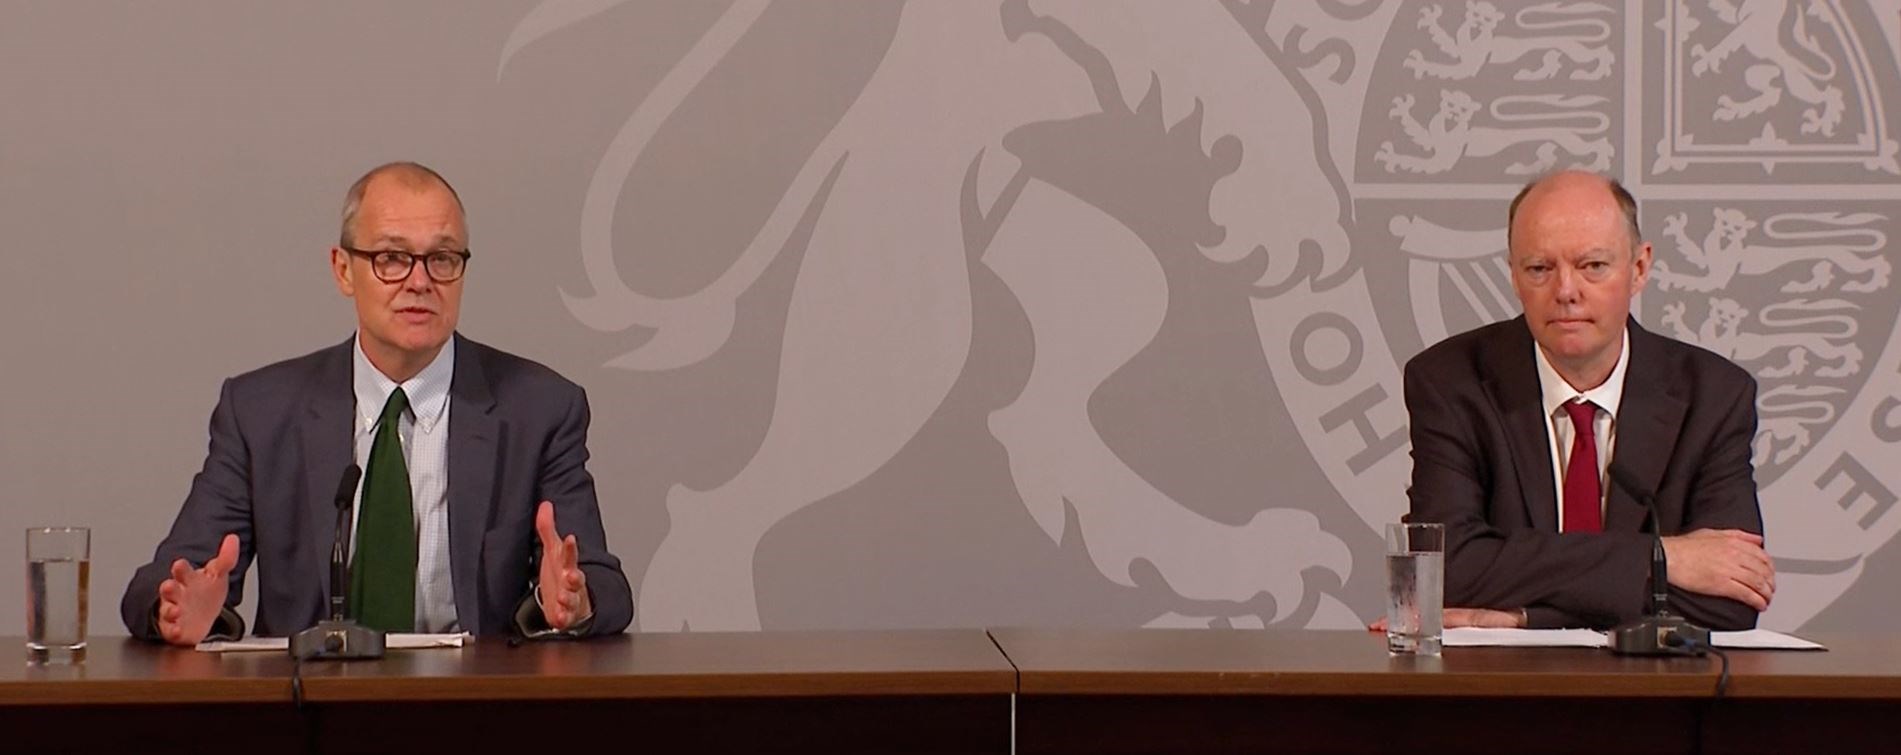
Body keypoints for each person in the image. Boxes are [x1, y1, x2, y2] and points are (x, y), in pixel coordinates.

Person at [122, 162, 633, 644]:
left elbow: (604, 587)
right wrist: (175, 611)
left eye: (442, 258)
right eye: (391, 257)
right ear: (343, 270)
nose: (419, 281)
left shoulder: (538, 409)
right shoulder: (261, 412)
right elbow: (161, 585)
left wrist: (570, 598)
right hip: (309, 718)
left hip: (476, 712)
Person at [1401, 170, 1774, 630]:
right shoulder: (1451, 383)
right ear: (1514, 276)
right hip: (1499, 693)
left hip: (1660, 695)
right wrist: (1662, 558)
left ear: (1639, 269)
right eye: (1540, 268)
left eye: (1593, 266)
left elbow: (1731, 601)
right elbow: (1447, 572)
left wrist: (1525, 618)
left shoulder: (1713, 395)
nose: (1565, 292)